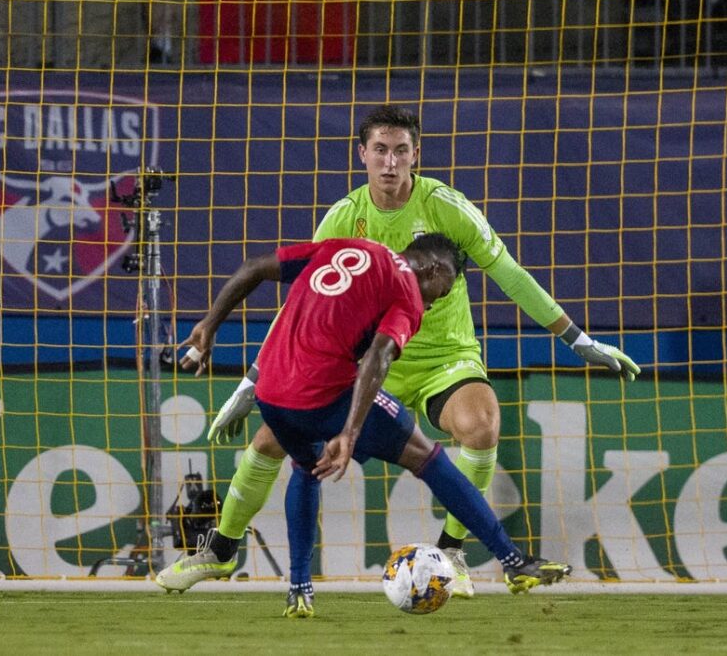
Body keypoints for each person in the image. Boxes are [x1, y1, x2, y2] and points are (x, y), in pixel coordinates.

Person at [159, 104, 641, 598]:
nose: (391, 162)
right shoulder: (345, 217)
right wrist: (251, 385)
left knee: (481, 425)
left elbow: (511, 275)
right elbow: (303, 308)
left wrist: (578, 340)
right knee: (266, 444)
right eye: (381, 151)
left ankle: (450, 552)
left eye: (401, 151)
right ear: (362, 154)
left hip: (442, 358)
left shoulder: (447, 207)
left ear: (417, 155)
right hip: (365, 366)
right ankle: (218, 551)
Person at [156, 234, 572, 616]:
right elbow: (378, 357)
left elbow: (252, 267)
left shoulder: (344, 246)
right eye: (439, 295)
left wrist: (208, 326)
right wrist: (350, 433)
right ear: (433, 271)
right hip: (322, 393)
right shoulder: (408, 293)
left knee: (306, 467)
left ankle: (299, 589)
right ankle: (514, 561)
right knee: (427, 457)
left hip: (271, 395)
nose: (430, 306)